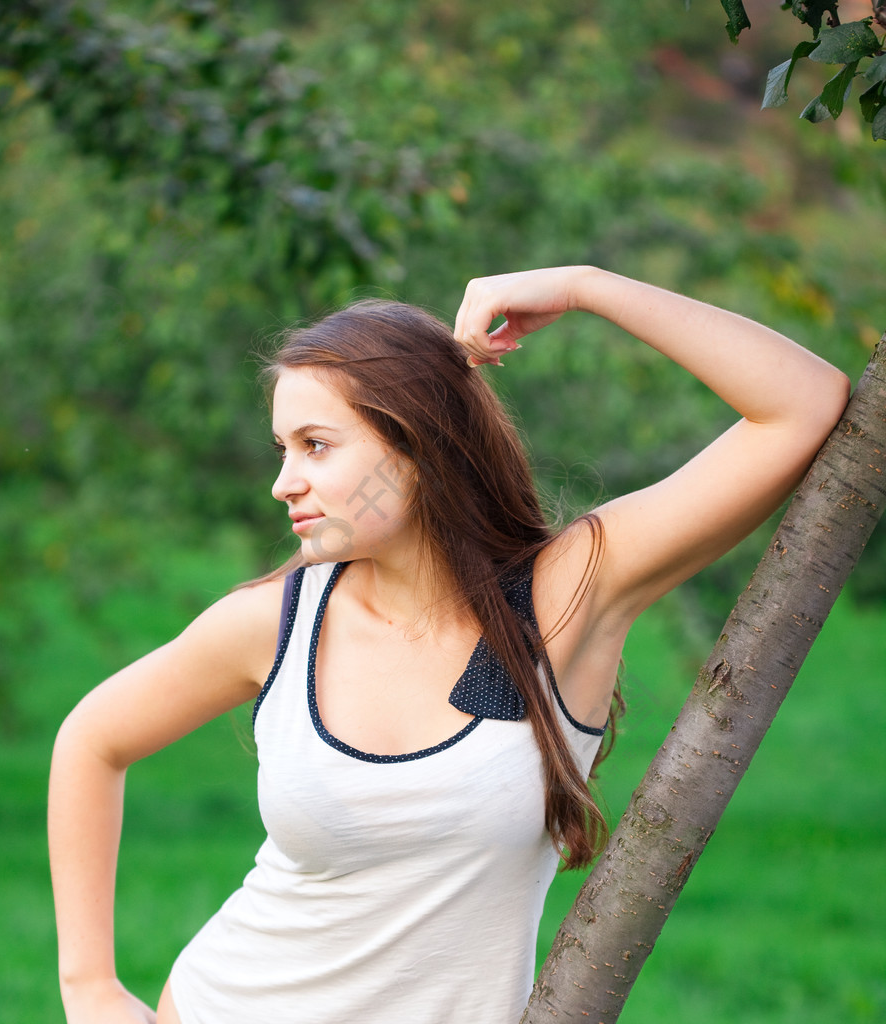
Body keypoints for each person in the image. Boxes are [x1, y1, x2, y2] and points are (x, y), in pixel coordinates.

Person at [48, 266, 850, 1024]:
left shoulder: (562, 599)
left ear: (417, 444)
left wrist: (585, 287)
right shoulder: (277, 620)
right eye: (282, 450)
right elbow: (93, 740)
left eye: (316, 446)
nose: (283, 482)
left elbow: (805, 403)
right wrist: (88, 986)